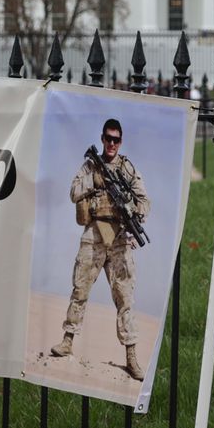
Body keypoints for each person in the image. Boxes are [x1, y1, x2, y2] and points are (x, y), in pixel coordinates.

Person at [48, 117, 151, 382]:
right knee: (80, 290)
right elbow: (73, 192)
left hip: (118, 238)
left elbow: (144, 200)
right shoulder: (91, 165)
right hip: (93, 235)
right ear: (102, 138)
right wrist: (94, 180)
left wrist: (135, 218)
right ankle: (68, 341)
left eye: (116, 139)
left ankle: (131, 357)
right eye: (108, 138)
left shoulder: (127, 169)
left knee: (125, 299)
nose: (112, 144)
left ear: (121, 141)